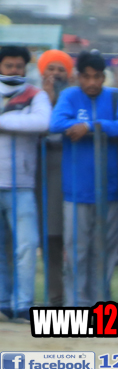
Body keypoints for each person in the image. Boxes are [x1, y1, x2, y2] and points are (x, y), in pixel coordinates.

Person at [48, 50, 118, 307]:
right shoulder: (69, 96)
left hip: (110, 191)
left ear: (104, 77)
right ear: (78, 77)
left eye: (97, 77)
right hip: (76, 191)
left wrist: (91, 127)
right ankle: (76, 306)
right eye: (86, 77)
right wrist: (83, 126)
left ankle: (101, 305)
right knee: (76, 252)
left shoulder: (117, 97)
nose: (92, 82)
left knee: (104, 252)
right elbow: (55, 123)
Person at [0, 45, 51, 321]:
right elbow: (29, 122)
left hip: (22, 184)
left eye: (19, 66)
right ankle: (3, 302)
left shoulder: (36, 94)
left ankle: (24, 304)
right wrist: (19, 120)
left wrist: (4, 121)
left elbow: (42, 123)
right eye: (9, 66)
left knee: (27, 246)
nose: (14, 71)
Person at [36, 49, 73, 307]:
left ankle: (75, 298)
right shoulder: (34, 98)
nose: (56, 74)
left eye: (61, 69)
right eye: (51, 68)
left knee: (71, 240)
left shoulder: (74, 99)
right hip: (44, 177)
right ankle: (55, 297)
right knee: (50, 238)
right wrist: (46, 102)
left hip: (71, 176)